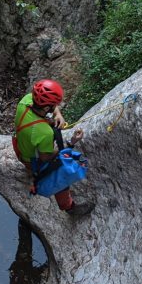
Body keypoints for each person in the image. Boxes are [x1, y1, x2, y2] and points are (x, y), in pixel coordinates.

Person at [12, 79, 94, 217]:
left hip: (20, 146)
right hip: (33, 161)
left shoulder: (25, 101)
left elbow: (48, 108)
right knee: (60, 171)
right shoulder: (44, 132)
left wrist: (58, 114)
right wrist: (71, 143)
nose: (56, 106)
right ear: (46, 108)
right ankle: (69, 207)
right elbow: (46, 157)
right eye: (55, 105)